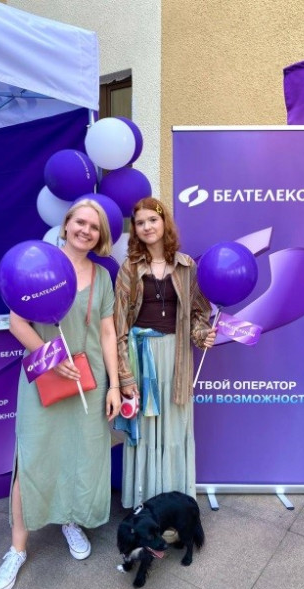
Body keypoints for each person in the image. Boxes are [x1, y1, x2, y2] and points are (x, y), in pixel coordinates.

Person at [0, 199, 121, 589]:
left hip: (89, 381)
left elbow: (108, 333)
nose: (86, 230)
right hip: (44, 378)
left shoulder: (103, 276)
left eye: (94, 227)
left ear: (100, 236)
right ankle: (17, 549)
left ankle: (70, 520)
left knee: (81, 454)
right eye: (80, 222)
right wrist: (51, 358)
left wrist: (115, 385)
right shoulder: (39, 264)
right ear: (66, 225)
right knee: (31, 459)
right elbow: (17, 322)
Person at [114, 197, 216, 510]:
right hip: (140, 357)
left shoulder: (187, 266)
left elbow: (199, 312)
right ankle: (143, 503)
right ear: (135, 229)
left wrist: (202, 334)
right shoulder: (130, 269)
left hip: (176, 357)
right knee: (145, 432)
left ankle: (175, 505)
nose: (147, 227)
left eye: (152, 220)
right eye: (140, 223)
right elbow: (118, 324)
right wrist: (124, 375)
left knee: (174, 430)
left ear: (164, 222)